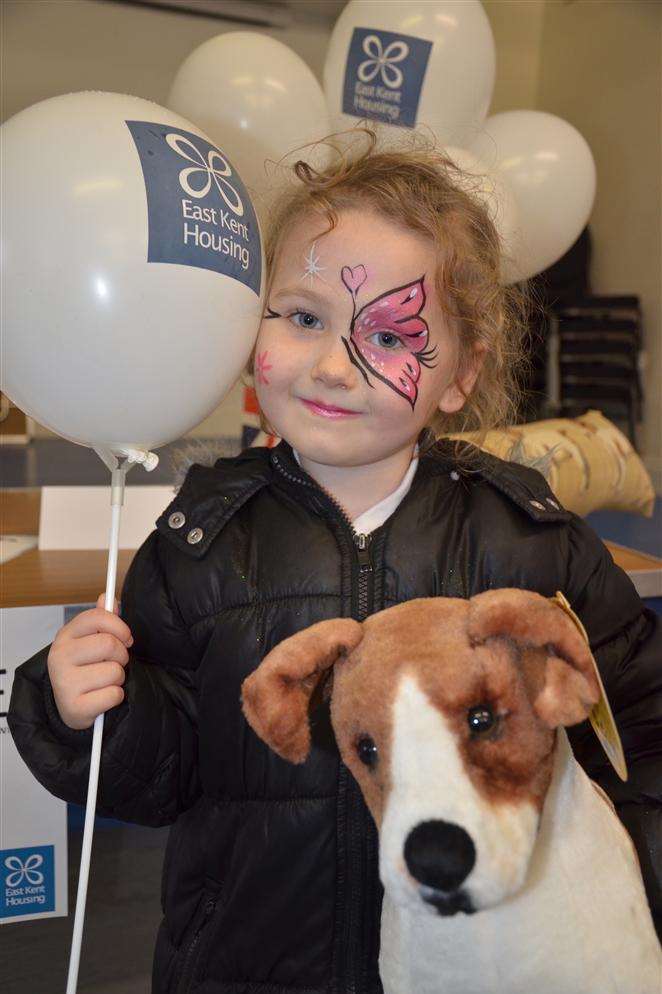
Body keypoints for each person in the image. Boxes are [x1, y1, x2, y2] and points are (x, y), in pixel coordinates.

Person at [9, 129, 662, 994]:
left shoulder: (530, 538)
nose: (333, 365)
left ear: (460, 372)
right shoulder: (201, 538)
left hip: (484, 967)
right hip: (249, 966)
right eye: (306, 317)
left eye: (391, 337)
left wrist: (632, 880)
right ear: (251, 327)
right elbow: (161, 776)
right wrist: (82, 712)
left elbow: (642, 724)